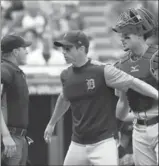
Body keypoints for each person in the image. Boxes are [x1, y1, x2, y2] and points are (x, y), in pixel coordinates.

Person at [44, 30, 158, 165]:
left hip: (103, 142)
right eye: (62, 49)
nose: (63, 52)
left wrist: (156, 94)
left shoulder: (103, 70)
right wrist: (52, 123)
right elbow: (64, 98)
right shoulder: (65, 75)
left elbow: (133, 83)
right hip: (78, 142)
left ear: (81, 48)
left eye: (68, 48)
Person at [112, 7, 158, 166]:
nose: (122, 39)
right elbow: (123, 102)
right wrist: (115, 129)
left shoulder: (157, 57)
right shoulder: (121, 65)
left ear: (139, 34)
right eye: (121, 35)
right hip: (138, 130)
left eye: (126, 35)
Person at [1, 34, 31, 166]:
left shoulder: (13, 70)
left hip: (18, 137)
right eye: (24, 48)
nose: (27, 51)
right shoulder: (4, 69)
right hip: (9, 137)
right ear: (15, 51)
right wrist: (6, 136)